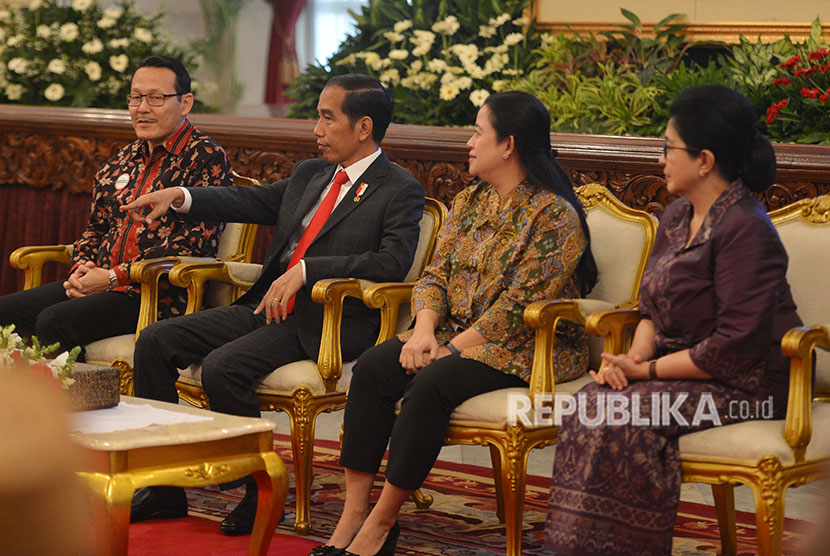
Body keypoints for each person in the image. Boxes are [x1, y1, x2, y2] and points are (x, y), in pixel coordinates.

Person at [121, 73, 425, 536]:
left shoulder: (398, 187)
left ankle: (260, 491)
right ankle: (164, 487)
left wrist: (307, 271)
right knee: (155, 341)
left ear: (364, 127)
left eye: (327, 118)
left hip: (324, 317)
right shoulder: (311, 173)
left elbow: (392, 261)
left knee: (225, 366)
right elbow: (250, 199)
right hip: (264, 304)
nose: (316, 130)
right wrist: (180, 197)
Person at [314, 91, 597, 556]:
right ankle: (353, 513)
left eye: (478, 132)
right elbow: (435, 276)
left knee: (431, 383)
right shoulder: (468, 202)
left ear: (508, 145)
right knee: (372, 368)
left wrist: (450, 349)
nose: (468, 142)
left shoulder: (555, 216)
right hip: (452, 333)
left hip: (528, 346)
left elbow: (518, 308)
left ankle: (381, 524)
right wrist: (424, 331)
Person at [545, 85, 803, 555]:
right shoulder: (678, 215)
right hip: (680, 372)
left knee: (621, 417)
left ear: (704, 160)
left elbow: (734, 345)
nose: (660, 158)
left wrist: (645, 372)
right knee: (589, 403)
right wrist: (629, 359)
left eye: (668, 148)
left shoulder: (747, 229)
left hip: (750, 386)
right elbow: (650, 309)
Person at [0, 55, 232, 359]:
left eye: (156, 98)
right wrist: (82, 267)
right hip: (103, 282)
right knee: (5, 312)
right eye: (135, 98)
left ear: (185, 103)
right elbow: (96, 228)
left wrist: (113, 277)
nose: (142, 108)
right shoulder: (123, 159)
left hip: (157, 294)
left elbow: (192, 244)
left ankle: (76, 403)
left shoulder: (206, 157)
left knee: (54, 321)